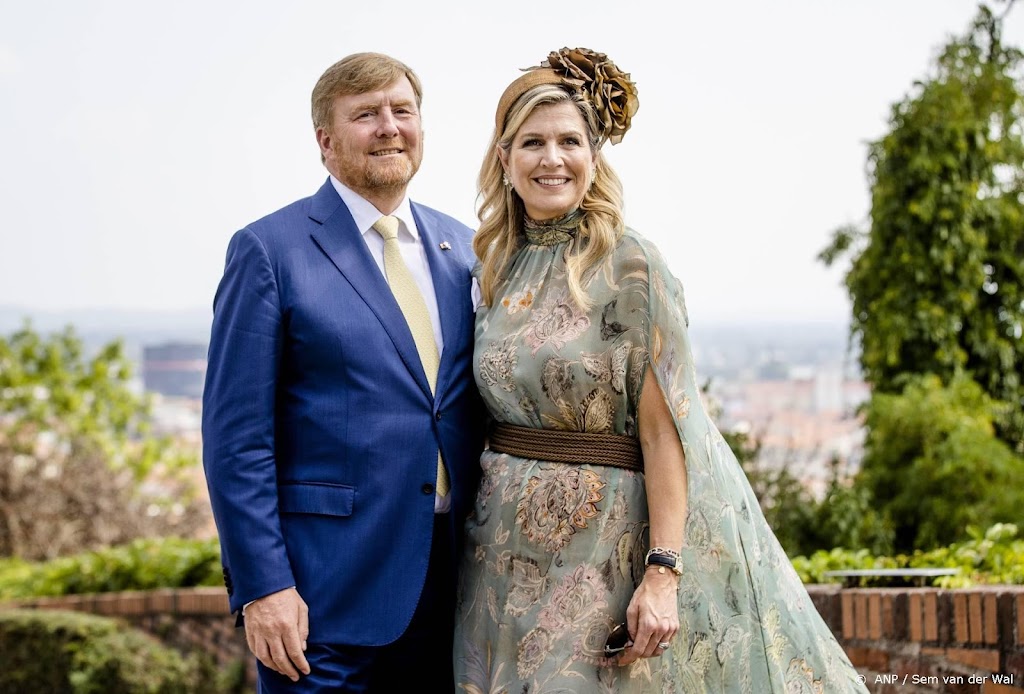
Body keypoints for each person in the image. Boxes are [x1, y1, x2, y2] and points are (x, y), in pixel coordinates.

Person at [454, 47, 869, 692]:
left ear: (595, 157)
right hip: (494, 553)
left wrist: (662, 573)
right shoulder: (491, 266)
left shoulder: (632, 266)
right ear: (504, 159)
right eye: (532, 142)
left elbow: (665, 430)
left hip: (600, 550)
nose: (551, 159)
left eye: (569, 141)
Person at [202, 52, 484, 692]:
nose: (389, 127)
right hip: (319, 600)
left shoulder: (467, 249)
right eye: (365, 115)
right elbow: (236, 440)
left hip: (453, 593)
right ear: (325, 141)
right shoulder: (269, 251)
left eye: (402, 110)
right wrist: (263, 586)